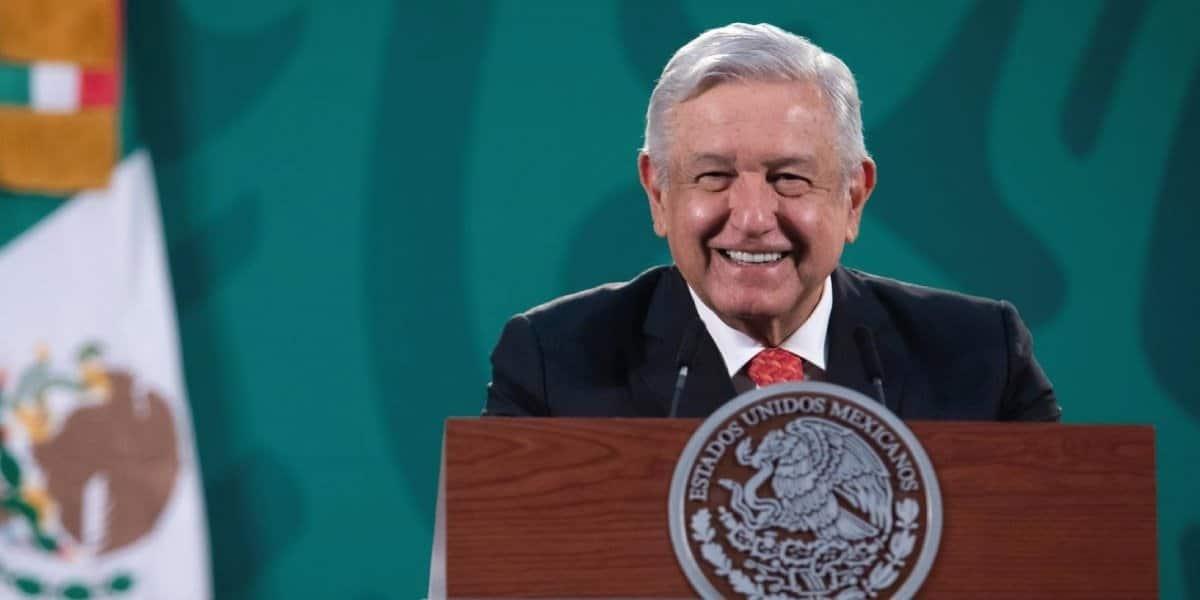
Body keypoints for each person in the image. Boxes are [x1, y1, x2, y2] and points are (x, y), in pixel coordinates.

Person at [485, 23, 1060, 421]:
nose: (754, 218)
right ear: (658, 193)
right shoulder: (553, 363)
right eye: (714, 176)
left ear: (853, 196)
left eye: (789, 178)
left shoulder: (982, 358)